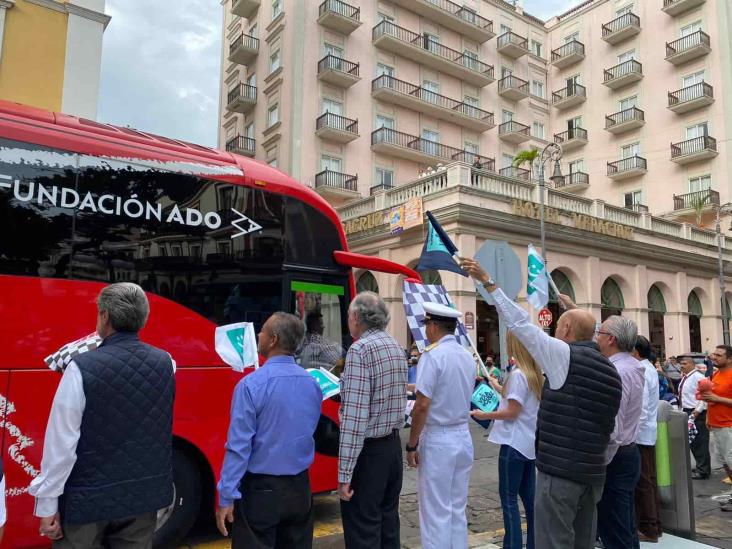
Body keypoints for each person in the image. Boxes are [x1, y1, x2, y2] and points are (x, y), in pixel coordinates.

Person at [460, 258, 622, 549]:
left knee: (553, 541)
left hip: (561, 474)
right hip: (593, 475)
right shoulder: (611, 370)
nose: (554, 331)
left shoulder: (563, 355)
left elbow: (520, 323)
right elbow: (614, 432)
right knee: (581, 542)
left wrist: (488, 281)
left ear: (566, 329)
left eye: (559, 325)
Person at [30, 283, 175, 547]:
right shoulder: (167, 362)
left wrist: (47, 504)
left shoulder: (80, 369)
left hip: (87, 502)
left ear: (105, 316)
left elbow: (61, 446)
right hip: (143, 497)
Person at [216, 312, 323, 548]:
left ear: (273, 340)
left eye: (262, 330)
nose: (258, 335)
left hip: (261, 491)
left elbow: (238, 447)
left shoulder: (250, 385)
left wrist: (226, 495)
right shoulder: (312, 384)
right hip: (300, 488)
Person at [338, 292, 407, 549]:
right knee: (388, 523)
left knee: (362, 529)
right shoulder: (394, 345)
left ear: (356, 317)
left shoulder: (360, 350)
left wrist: (344, 474)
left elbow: (355, 419)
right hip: (392, 449)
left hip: (369, 454)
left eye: (348, 315)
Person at [406, 302, 475, 549]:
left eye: (427, 326)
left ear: (434, 326)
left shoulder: (432, 356)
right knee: (457, 509)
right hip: (462, 436)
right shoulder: (467, 357)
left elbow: (422, 405)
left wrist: (411, 445)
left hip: (439, 438)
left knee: (435, 513)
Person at [472, 331, 543, 549]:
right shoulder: (534, 374)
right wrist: (496, 385)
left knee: (509, 499)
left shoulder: (518, 375)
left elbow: (512, 411)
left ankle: (512, 545)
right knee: (528, 500)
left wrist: (485, 415)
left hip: (513, 444)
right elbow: (517, 400)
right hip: (528, 444)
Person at [595, 316, 645, 549]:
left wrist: (602, 461)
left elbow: (612, 426)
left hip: (616, 456)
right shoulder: (632, 365)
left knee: (615, 526)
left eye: (600, 332)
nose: (596, 336)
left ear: (611, 339)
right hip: (627, 452)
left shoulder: (617, 371)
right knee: (623, 521)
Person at [632, 335, 662, 543]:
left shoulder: (642, 370)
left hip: (640, 434)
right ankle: (654, 525)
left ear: (635, 351)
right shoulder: (649, 368)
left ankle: (648, 527)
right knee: (648, 480)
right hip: (646, 433)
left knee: (643, 482)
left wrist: (630, 434)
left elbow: (640, 409)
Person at [702, 345, 732, 511]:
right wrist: (708, 416)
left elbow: (715, 398)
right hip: (716, 425)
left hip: (729, 426)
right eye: (714, 354)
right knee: (725, 463)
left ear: (729, 359)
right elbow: (710, 399)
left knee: (731, 462)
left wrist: (717, 398)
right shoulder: (715, 374)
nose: (714, 357)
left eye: (719, 355)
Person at [678, 355, 710, 480]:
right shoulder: (686, 377)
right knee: (693, 441)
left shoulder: (698, 377)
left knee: (700, 442)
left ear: (692, 364)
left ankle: (703, 470)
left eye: (684, 363)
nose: (682, 366)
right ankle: (700, 466)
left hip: (696, 413)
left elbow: (704, 396)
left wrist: (697, 411)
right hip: (687, 412)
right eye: (681, 364)